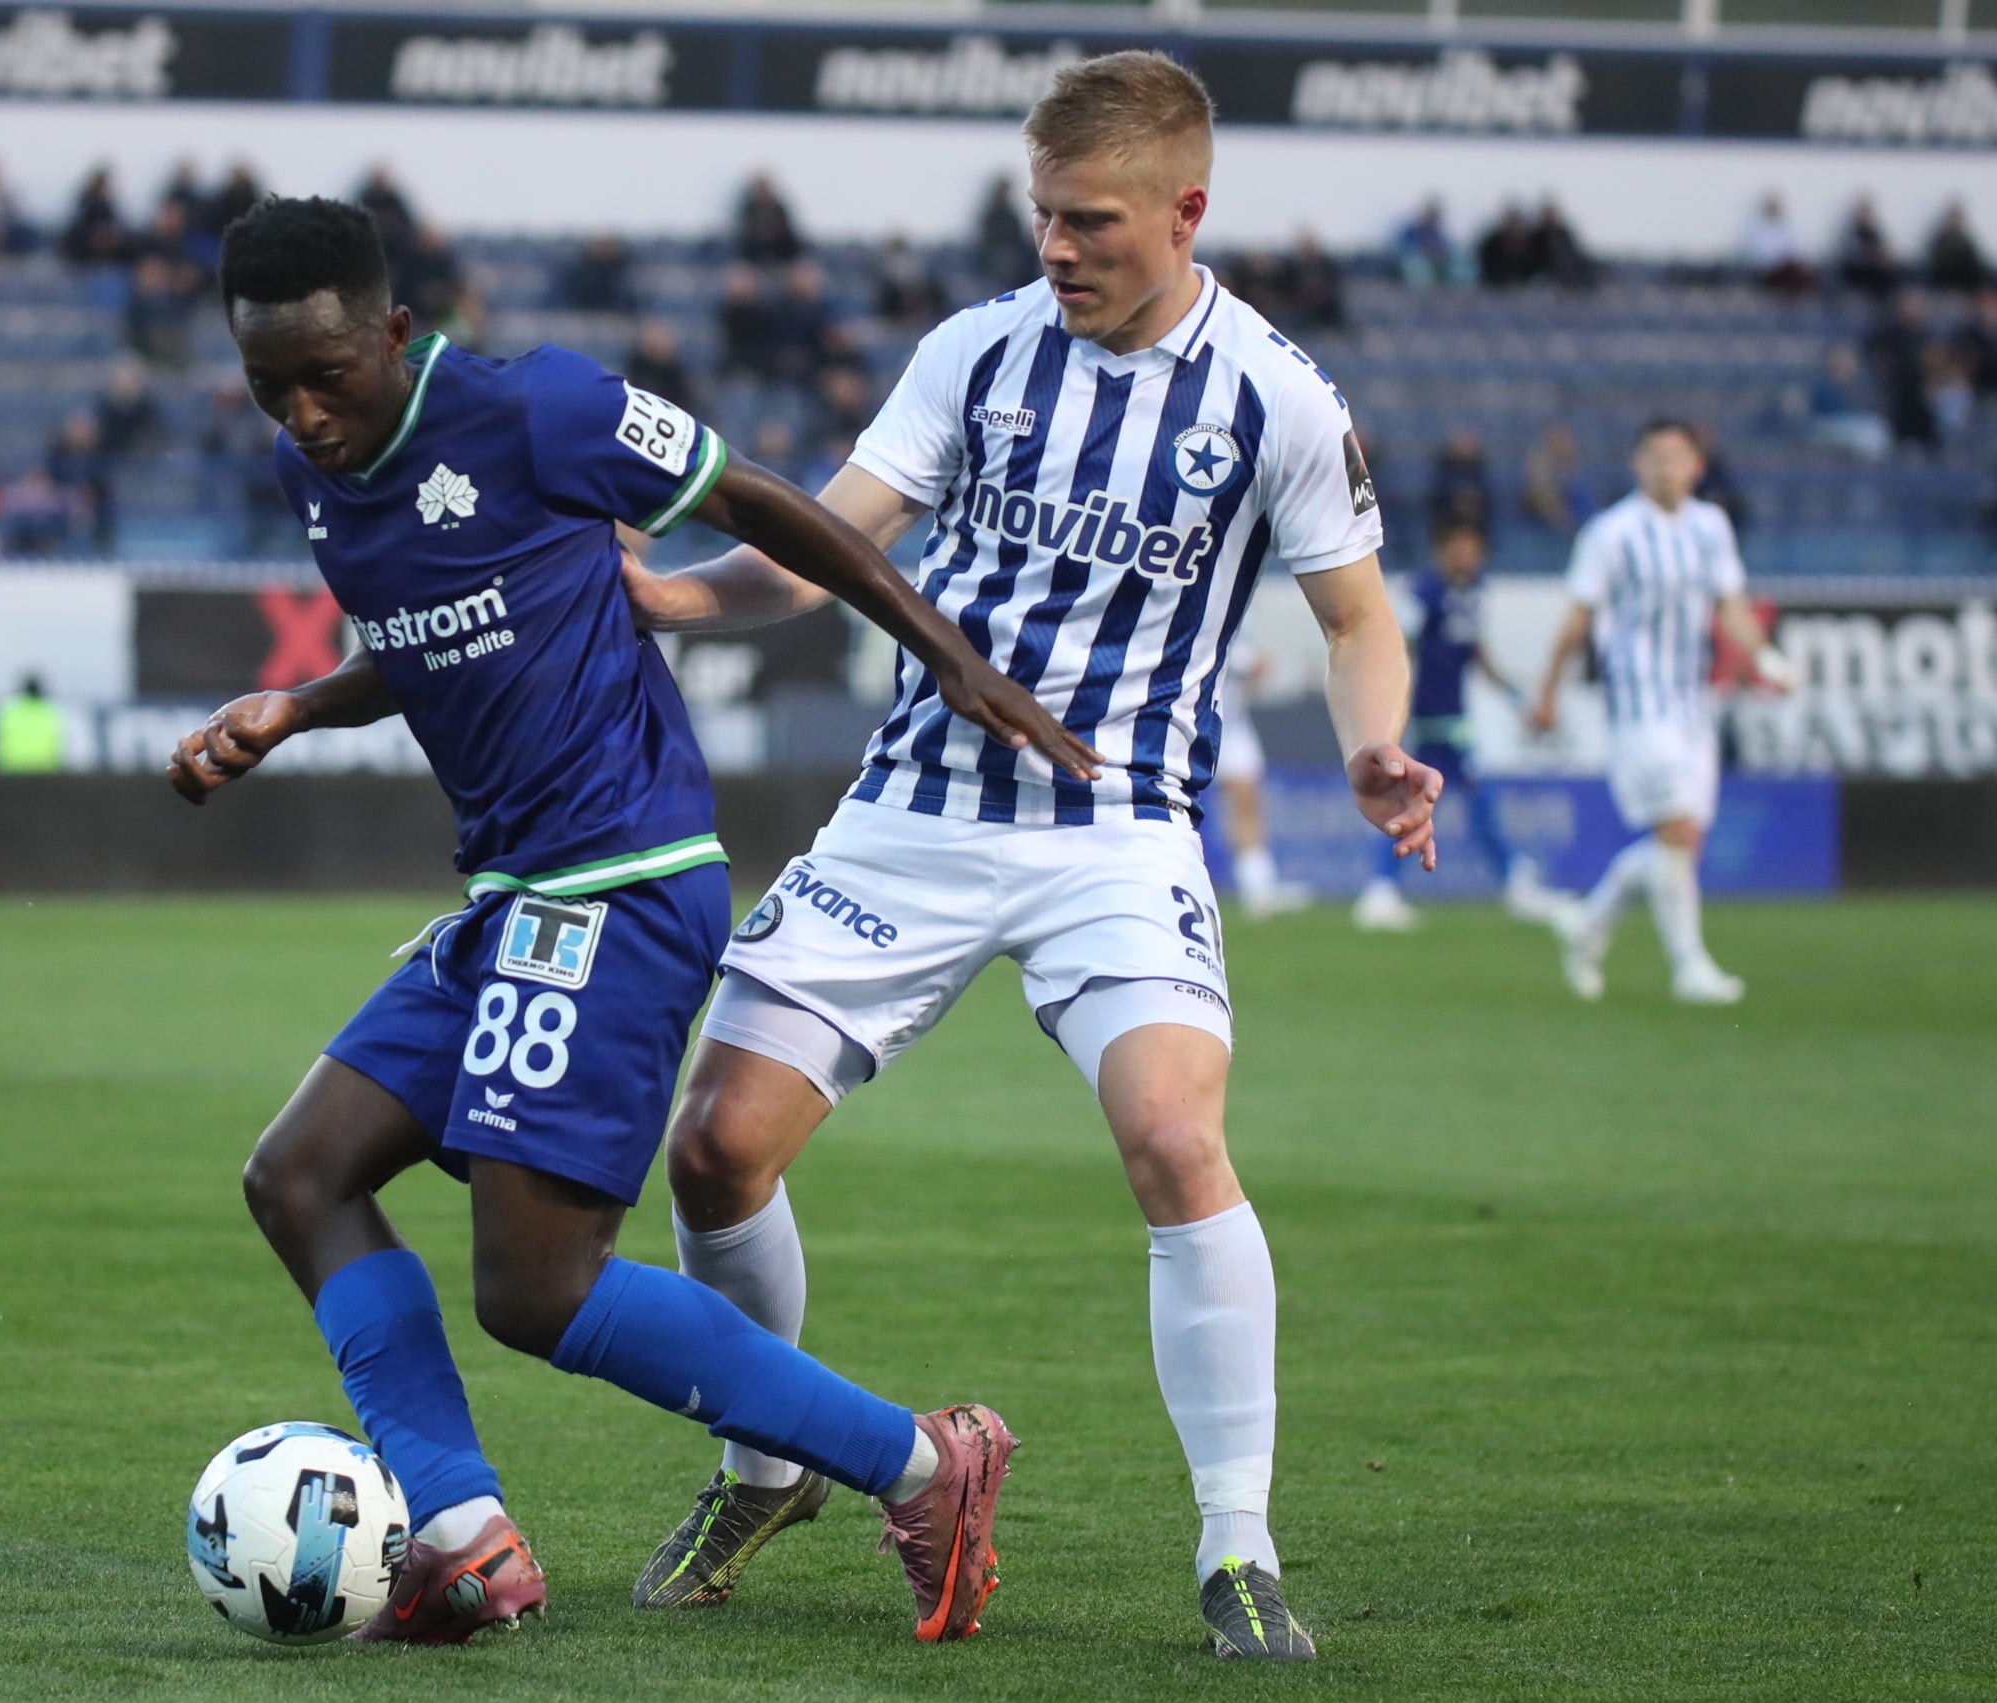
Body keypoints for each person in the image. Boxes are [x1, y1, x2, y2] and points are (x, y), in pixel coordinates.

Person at [163, 195, 1099, 1647]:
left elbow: (762, 502)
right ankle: (463, 1537)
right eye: (268, 384)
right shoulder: (316, 466)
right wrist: (297, 704)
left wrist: (944, 653)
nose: (303, 414)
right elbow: (427, 633)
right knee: (298, 1174)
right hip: (511, 897)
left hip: (616, 878)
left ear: (397, 332)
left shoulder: (539, 408)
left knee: (537, 1288)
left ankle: (924, 1462)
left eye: (327, 377)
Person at [617, 50, 1437, 1660]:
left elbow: (1358, 619)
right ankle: (768, 1465)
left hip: (1117, 830)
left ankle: (1238, 1546)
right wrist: (679, 596)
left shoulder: (1275, 394)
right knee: (712, 1149)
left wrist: (1371, 744)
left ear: (1185, 211)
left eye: (1092, 221)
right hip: (914, 813)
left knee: (1175, 1139)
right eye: (1043, 215)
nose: (1058, 247)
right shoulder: (977, 351)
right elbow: (832, 543)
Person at [1528, 419, 1790, 1005]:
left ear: (1697, 466)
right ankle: (1689, 967)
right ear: (1637, 465)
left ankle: (1588, 924)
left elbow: (1731, 605)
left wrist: (1764, 658)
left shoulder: (1711, 526)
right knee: (1677, 830)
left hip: (1693, 704)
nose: (1667, 467)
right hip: (1638, 704)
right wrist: (1548, 691)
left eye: (1678, 456)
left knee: (1680, 844)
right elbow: (1577, 619)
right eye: (1656, 456)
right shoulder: (1610, 533)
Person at [1352, 519, 1560, 932]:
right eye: (1463, 546)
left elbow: (1478, 654)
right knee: (1454, 799)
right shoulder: (1424, 592)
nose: (1470, 555)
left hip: (1455, 717)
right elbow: (1401, 648)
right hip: (1429, 716)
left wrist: (1517, 699)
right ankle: (1510, 880)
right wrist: (1392, 709)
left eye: (1475, 547)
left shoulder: (1472, 593)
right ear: (1443, 549)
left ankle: (1384, 889)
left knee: (1448, 801)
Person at [1209, 643, 1309, 919]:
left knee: (1248, 807)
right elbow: (1253, 664)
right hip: (1195, 728)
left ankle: (1257, 886)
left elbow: (1259, 669)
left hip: (1232, 728)